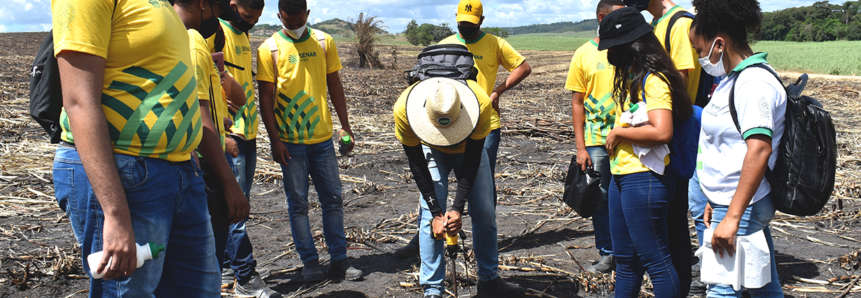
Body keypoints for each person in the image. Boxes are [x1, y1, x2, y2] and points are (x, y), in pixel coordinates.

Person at [51, 0, 247, 296]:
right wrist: (115, 215)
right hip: (127, 173)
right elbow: (79, 100)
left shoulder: (162, 6)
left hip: (181, 173)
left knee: (203, 290)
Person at [395, 0, 532, 259]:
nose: (465, 28)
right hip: (441, 126)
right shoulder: (444, 46)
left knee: (481, 193)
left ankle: (483, 248)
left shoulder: (495, 44)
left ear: (481, 21)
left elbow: (524, 67)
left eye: (470, 24)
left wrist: (496, 91)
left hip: (482, 122)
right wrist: (440, 211)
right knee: (433, 195)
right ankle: (428, 234)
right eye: (461, 23)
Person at [257, 0, 361, 282]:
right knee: (298, 204)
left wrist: (345, 127)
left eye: (298, 20)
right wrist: (274, 140)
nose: (292, 26)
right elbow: (265, 97)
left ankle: (339, 259)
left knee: (333, 200)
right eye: (287, 22)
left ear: (308, 15)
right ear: (279, 16)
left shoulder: (324, 42)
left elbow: (334, 84)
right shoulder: (269, 49)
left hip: (323, 141)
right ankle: (310, 261)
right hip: (290, 143)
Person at [394, 77, 526, 298]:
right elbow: (417, 164)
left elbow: (473, 159)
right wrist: (438, 212)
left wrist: (456, 209)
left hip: (468, 150)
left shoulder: (481, 104)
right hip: (431, 149)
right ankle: (433, 290)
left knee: (484, 211)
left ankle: (489, 280)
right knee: (429, 216)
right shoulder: (404, 108)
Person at [689, 0, 786, 296]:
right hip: (731, 201)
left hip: (742, 205)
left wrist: (730, 216)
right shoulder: (732, 80)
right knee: (762, 284)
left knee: (721, 288)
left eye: (699, 50)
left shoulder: (753, 83)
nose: (699, 58)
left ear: (719, 44)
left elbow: (759, 150)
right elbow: (724, 148)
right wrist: (713, 198)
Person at [598, 7, 694, 298]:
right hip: (622, 175)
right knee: (626, 262)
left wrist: (618, 132)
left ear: (631, 45)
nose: (609, 54)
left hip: (645, 179)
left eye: (613, 48)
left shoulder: (654, 79)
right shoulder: (630, 78)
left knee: (657, 261)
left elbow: (661, 131)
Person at [624, 0, 707, 293]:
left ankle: (680, 286)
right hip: (666, 135)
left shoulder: (679, 23)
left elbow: (679, 80)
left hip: (677, 136)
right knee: (669, 224)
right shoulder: (657, 24)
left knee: (676, 223)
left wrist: (655, 127)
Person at [202, 1, 276, 296]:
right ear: (232, 5)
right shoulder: (215, 31)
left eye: (257, 18)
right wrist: (224, 135)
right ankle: (245, 277)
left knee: (236, 208)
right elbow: (208, 86)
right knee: (233, 210)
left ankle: (228, 272)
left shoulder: (242, 34)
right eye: (247, 17)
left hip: (246, 133)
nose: (252, 23)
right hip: (229, 136)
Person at [565, 0, 625, 275]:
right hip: (596, 140)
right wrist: (581, 147)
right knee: (600, 198)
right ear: (601, 17)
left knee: (630, 196)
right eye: (617, 15)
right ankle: (609, 253)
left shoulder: (628, 47)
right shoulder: (583, 54)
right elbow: (577, 102)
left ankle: (631, 252)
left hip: (630, 138)